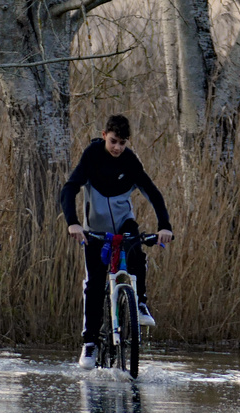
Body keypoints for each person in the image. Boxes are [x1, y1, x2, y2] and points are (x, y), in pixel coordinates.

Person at [59, 114, 174, 369]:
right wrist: (73, 223)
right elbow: (69, 189)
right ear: (104, 135)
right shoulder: (92, 156)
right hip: (95, 231)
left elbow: (153, 193)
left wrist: (165, 226)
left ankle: (139, 304)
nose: (117, 148)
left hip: (123, 224)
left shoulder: (130, 161)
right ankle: (89, 342)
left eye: (122, 143)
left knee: (136, 249)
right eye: (113, 141)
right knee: (95, 284)